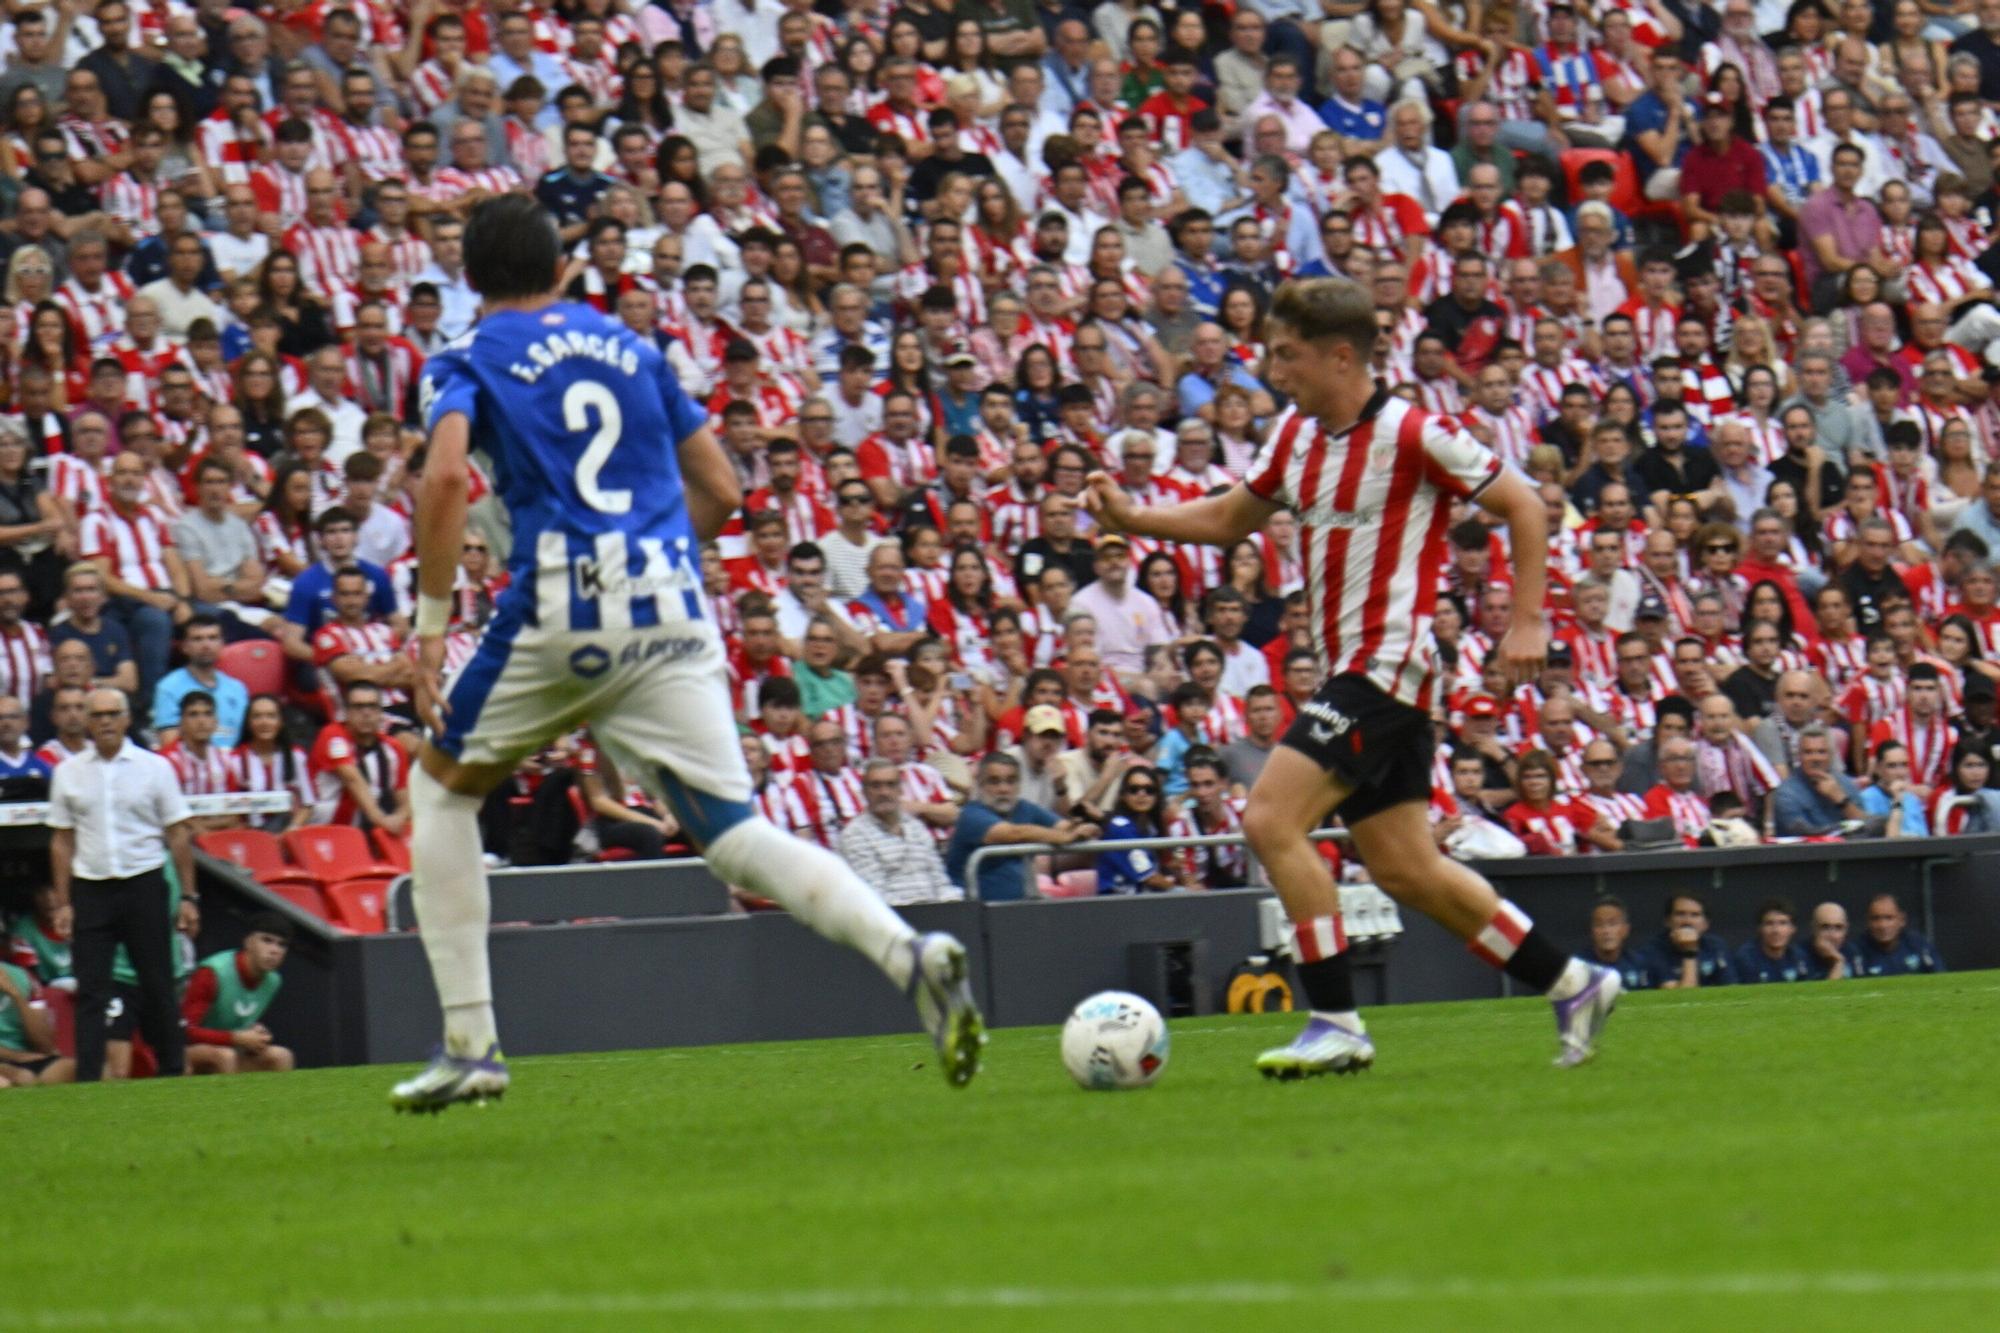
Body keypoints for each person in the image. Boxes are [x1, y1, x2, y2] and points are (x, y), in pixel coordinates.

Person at [392, 197, 987, 1111]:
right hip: (669, 606)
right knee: (736, 834)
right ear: (561, 272)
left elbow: (442, 477)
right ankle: (907, 952)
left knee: (439, 791)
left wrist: (432, 629)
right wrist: (657, 554)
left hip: (560, 598)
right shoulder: (632, 349)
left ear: (470, 281)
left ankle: (472, 1042)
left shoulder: (466, 358)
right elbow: (722, 485)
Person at [1082, 276, 1622, 1076]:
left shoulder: (1414, 432)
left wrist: (1530, 617)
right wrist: (1135, 519)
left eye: (1287, 353)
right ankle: (1574, 981)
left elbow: (1525, 504)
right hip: (1358, 673)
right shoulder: (1296, 438)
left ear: (1341, 355)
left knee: (1269, 818)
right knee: (1406, 866)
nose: (1274, 369)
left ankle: (1336, 1019)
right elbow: (1231, 516)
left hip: (1388, 667)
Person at [44, 687, 197, 1082]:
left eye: (113, 713)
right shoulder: (68, 771)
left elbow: (178, 833)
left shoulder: (155, 767)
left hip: (143, 882)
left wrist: (189, 895)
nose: (106, 721)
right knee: (92, 988)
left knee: (157, 981)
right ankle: (90, 1078)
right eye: (98, 715)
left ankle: (172, 1069)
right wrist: (63, 903)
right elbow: (62, 840)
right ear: (88, 723)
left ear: (128, 719)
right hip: (92, 887)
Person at [945, 751, 1101, 902]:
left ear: (1019, 784)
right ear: (980, 784)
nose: (1004, 789)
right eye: (994, 781)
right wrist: (1066, 837)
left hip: (1021, 907)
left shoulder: (1024, 807)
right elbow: (1014, 833)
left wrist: (1085, 828)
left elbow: (1065, 828)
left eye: (1011, 781)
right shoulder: (971, 814)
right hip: (976, 912)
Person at [180, 913, 295, 1074]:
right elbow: (186, 1031)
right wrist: (236, 1038)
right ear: (248, 942)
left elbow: (239, 1021)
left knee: (281, 1056)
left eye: (281, 945)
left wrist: (256, 1034)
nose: (274, 951)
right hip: (187, 1053)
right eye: (266, 940)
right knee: (225, 1056)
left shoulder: (273, 981)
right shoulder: (212, 972)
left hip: (230, 1048)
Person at [838, 759, 960, 906]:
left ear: (901, 790)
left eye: (891, 784)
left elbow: (940, 883)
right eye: (876, 786)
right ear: (864, 792)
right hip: (891, 919)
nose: (884, 792)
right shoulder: (854, 835)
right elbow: (874, 896)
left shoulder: (917, 828)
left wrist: (953, 904)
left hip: (934, 913)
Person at [1641, 893, 1736, 988]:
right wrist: (1689, 952)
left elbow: (1731, 988)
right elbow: (1684, 997)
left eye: (1695, 915)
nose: (1687, 921)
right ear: (1667, 921)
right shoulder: (1653, 951)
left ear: (1706, 924)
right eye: (1680, 914)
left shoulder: (1716, 946)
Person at [1852, 893, 1945, 976]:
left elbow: (1939, 975)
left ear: (1902, 920)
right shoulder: (1856, 951)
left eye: (1889, 918)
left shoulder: (1918, 945)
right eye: (1875, 919)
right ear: (1868, 921)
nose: (1882, 925)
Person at [1734, 899, 1815, 983]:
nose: (1776, 930)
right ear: (1760, 928)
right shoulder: (1746, 959)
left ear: (1793, 929)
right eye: (1769, 923)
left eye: (1783, 923)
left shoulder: (1799, 957)